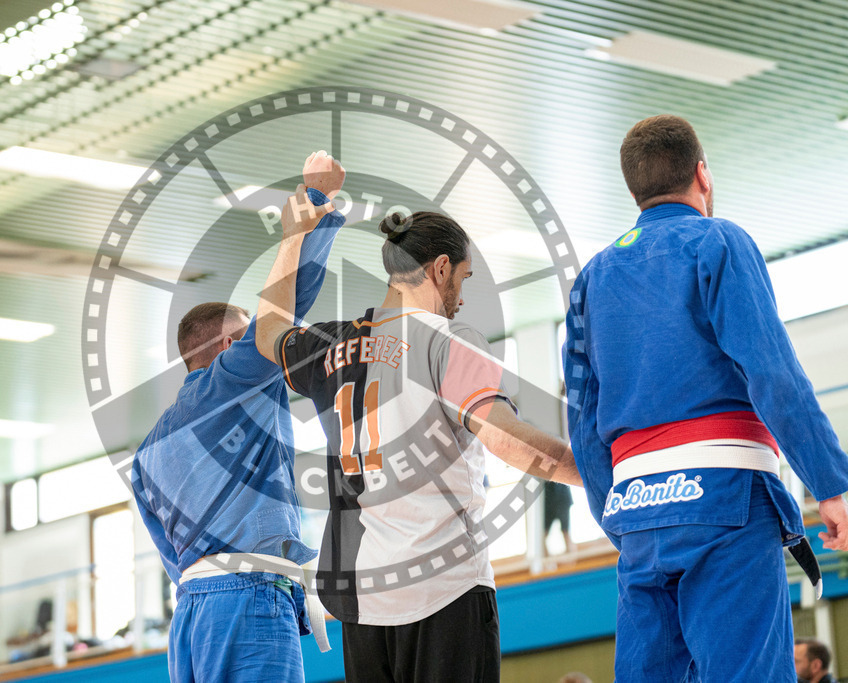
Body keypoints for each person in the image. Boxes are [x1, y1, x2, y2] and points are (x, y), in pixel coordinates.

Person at [563, 114, 848, 682]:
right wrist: (831, 484)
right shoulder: (718, 241)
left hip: (637, 510)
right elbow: (773, 373)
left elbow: (583, 415)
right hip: (724, 496)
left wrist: (617, 513)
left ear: (634, 191)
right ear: (702, 175)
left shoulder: (591, 278)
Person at [255, 198, 582, 682]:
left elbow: (268, 330)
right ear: (440, 268)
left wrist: (293, 236)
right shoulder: (448, 339)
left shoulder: (331, 346)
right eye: (463, 279)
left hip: (363, 602)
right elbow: (510, 441)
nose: (461, 298)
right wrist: (599, 472)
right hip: (444, 589)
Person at [130, 152, 345, 682]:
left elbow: (172, 557)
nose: (273, 349)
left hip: (191, 617)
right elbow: (282, 313)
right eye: (253, 339)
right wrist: (315, 204)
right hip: (248, 600)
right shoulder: (231, 380)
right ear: (230, 348)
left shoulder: (146, 454)